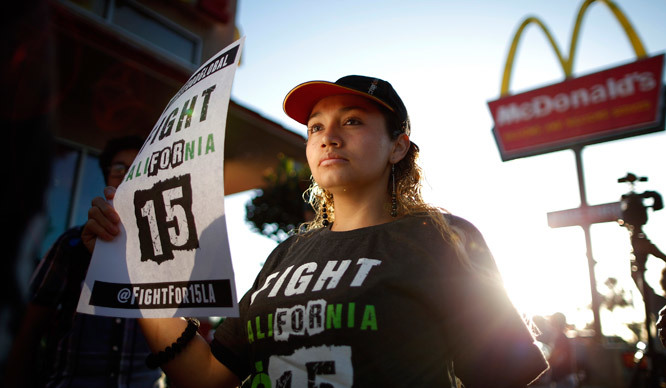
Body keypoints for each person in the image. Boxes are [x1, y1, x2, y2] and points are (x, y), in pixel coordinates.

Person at [81, 75, 549, 387]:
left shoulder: (441, 236)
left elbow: (505, 375)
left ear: (398, 147)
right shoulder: (286, 254)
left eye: (352, 121)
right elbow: (207, 377)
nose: (329, 136)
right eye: (315, 127)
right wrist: (137, 268)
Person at [4, 136, 164, 387]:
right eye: (119, 169)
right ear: (106, 179)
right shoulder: (72, 245)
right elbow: (29, 332)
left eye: (139, 168)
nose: (127, 177)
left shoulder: (169, 254)